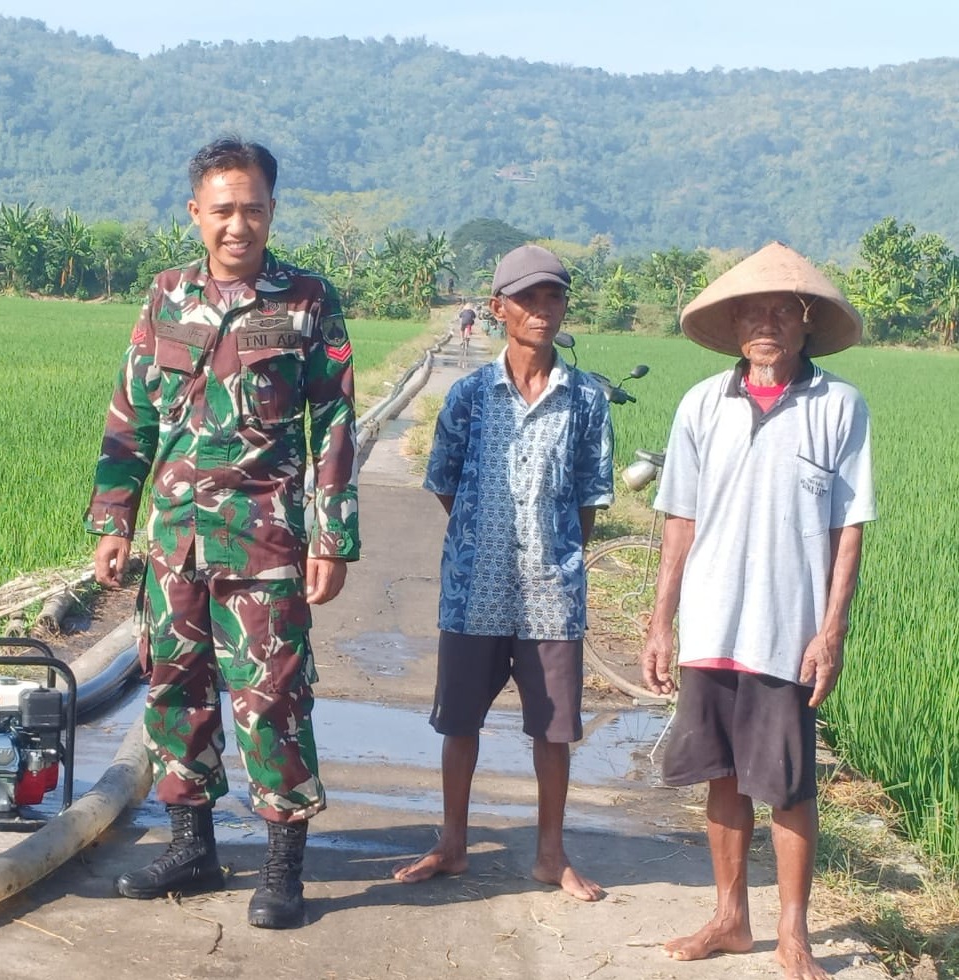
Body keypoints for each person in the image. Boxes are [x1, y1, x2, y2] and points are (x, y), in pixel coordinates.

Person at [84, 137, 359, 930]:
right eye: (223, 210)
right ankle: (192, 846)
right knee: (175, 691)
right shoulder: (165, 296)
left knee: (273, 700)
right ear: (195, 213)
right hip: (174, 542)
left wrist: (331, 536)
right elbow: (129, 415)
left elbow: (334, 423)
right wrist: (113, 519)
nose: (238, 225)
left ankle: (282, 865)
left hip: (265, 541)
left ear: (272, 210)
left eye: (253, 208)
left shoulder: (306, 300)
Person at [641, 242, 875, 980]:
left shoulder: (838, 406)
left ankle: (794, 933)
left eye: (782, 310)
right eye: (752, 311)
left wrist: (830, 633)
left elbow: (850, 528)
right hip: (712, 624)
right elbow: (679, 516)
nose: (766, 323)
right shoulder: (701, 404)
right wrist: (660, 620)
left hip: (786, 630)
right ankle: (730, 917)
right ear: (735, 324)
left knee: (788, 783)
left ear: (807, 324)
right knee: (721, 774)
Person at [393, 245, 613, 902]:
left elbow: (588, 498)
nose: (542, 310)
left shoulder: (586, 400)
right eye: (528, 299)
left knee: (553, 729)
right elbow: (445, 484)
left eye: (553, 298)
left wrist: (552, 552)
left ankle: (552, 853)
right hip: (473, 590)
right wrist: (482, 538)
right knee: (459, 723)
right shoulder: (467, 397)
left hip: (552, 593)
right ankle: (453, 843)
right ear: (498, 310)